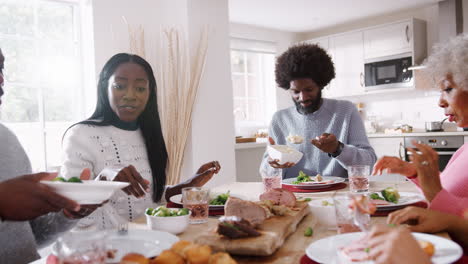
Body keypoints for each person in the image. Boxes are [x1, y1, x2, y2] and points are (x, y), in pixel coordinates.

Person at [60, 53, 221, 229]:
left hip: (147, 242)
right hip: (99, 249)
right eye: (119, 86)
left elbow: (150, 197)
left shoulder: (148, 133)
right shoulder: (80, 135)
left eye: (140, 88)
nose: (130, 95)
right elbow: (68, 210)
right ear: (104, 87)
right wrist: (105, 179)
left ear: (150, 93)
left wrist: (189, 184)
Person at [0, 48, 96, 263]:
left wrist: (69, 214)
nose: (1, 79)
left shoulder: (7, 141)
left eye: (1, 68)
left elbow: (33, 236)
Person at [373, 34, 468, 216]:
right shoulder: (464, 150)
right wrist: (415, 172)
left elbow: (457, 214)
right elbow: (450, 190)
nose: (440, 102)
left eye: (448, 89)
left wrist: (434, 192)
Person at [260, 43, 377, 179]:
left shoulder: (345, 111)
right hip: (295, 195)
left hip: (336, 194)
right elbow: (265, 174)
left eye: (309, 90)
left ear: (321, 85)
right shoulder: (280, 119)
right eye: (296, 92)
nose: (302, 98)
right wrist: (273, 164)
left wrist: (338, 149)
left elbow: (368, 164)